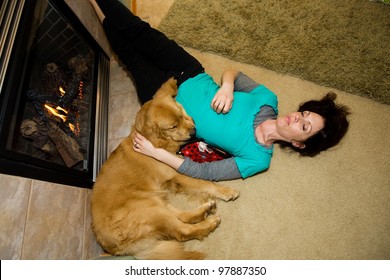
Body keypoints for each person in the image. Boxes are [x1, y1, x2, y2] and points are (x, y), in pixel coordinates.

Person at [90, 0, 350, 181]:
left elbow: (204, 173)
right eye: (304, 113)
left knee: (128, 53)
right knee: (137, 30)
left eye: (304, 126)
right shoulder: (268, 98)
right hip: (187, 70)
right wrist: (227, 86)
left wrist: (155, 152)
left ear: (299, 144)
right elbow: (233, 73)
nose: (296, 117)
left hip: (163, 101)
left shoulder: (258, 159)